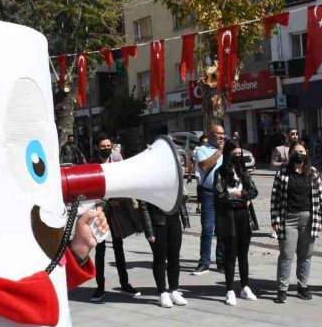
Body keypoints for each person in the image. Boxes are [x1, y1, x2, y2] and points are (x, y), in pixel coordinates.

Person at [271, 141, 322, 304]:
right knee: (286, 254)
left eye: (302, 151)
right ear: (290, 154)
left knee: (305, 255)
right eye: (296, 152)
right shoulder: (283, 172)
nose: (299, 154)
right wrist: (275, 219)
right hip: (288, 218)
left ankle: (302, 287)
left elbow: (320, 196)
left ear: (306, 153)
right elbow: (275, 198)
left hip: (309, 218)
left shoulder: (313, 172)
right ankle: (282, 289)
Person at [90, 135, 141, 302]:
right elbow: (91, 187)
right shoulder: (92, 163)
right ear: (97, 147)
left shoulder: (117, 159)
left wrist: (119, 199)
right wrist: (102, 203)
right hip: (100, 210)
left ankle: (124, 284)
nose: (106, 148)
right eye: (103, 146)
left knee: (119, 247)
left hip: (116, 209)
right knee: (100, 249)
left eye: (108, 145)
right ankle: (100, 287)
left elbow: (124, 181)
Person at [214, 139, 258, 306]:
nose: (238, 157)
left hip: (244, 217)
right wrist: (239, 198)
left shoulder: (243, 172)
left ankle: (245, 286)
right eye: (234, 155)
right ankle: (230, 290)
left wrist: (240, 195)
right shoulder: (220, 173)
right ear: (228, 155)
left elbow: (253, 191)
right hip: (229, 217)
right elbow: (220, 195)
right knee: (230, 255)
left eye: (240, 154)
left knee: (243, 255)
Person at [141, 170, 191, 308]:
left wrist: (185, 220)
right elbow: (143, 207)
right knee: (160, 258)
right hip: (158, 222)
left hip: (174, 220)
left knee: (174, 257)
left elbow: (180, 199)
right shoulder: (149, 181)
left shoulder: (173, 177)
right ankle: (162, 292)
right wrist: (149, 231)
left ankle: (174, 289)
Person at [192, 124, 226, 275]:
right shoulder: (202, 150)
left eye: (223, 133)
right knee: (207, 229)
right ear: (210, 134)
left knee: (222, 229)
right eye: (218, 133)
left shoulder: (228, 150)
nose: (221, 136)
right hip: (209, 193)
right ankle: (204, 261)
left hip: (224, 194)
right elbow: (204, 166)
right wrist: (219, 152)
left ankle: (221, 261)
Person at [193, 133, 209, 214]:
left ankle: (205, 206)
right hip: (199, 173)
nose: (205, 144)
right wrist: (189, 174)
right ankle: (198, 206)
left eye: (206, 142)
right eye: (203, 142)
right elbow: (193, 161)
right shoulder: (197, 151)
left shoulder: (210, 150)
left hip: (207, 173)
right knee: (200, 190)